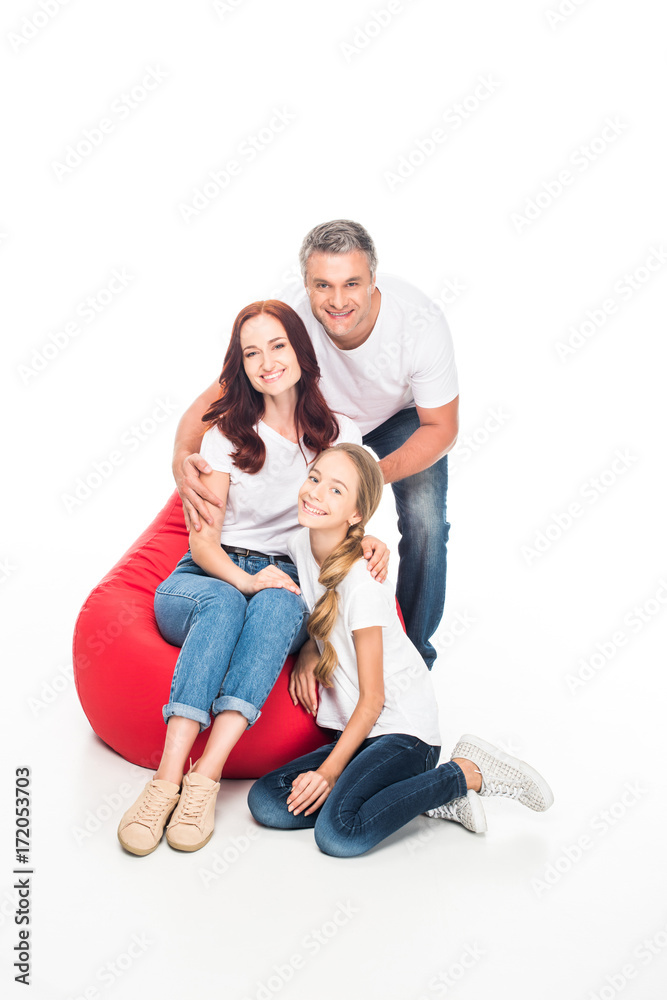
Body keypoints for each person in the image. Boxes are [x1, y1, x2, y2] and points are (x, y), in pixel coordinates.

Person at [117, 301, 388, 857]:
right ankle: (166, 780)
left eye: (278, 345)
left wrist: (374, 541)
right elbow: (202, 544)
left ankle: (203, 780)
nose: (267, 361)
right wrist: (246, 581)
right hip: (207, 574)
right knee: (225, 604)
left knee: (280, 603)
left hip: (289, 574)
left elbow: (361, 515)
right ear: (240, 365)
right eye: (252, 352)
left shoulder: (341, 432)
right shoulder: (226, 434)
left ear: (300, 350)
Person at [171, 220, 459, 671]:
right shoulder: (289, 316)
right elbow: (213, 401)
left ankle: (414, 655)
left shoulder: (419, 322)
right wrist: (180, 465)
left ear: (373, 280)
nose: (338, 301)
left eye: (352, 284)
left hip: (397, 420)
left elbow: (442, 428)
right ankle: (319, 627)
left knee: (426, 524)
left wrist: (364, 476)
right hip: (323, 417)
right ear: (305, 285)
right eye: (323, 285)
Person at [247, 444, 553, 858]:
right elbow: (321, 619)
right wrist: (309, 652)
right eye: (315, 478)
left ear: (357, 513)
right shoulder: (301, 544)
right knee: (266, 800)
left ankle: (462, 774)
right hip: (356, 734)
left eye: (336, 491)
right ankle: (422, 798)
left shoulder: (363, 585)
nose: (316, 493)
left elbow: (375, 700)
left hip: (402, 733)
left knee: (339, 834)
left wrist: (328, 771)